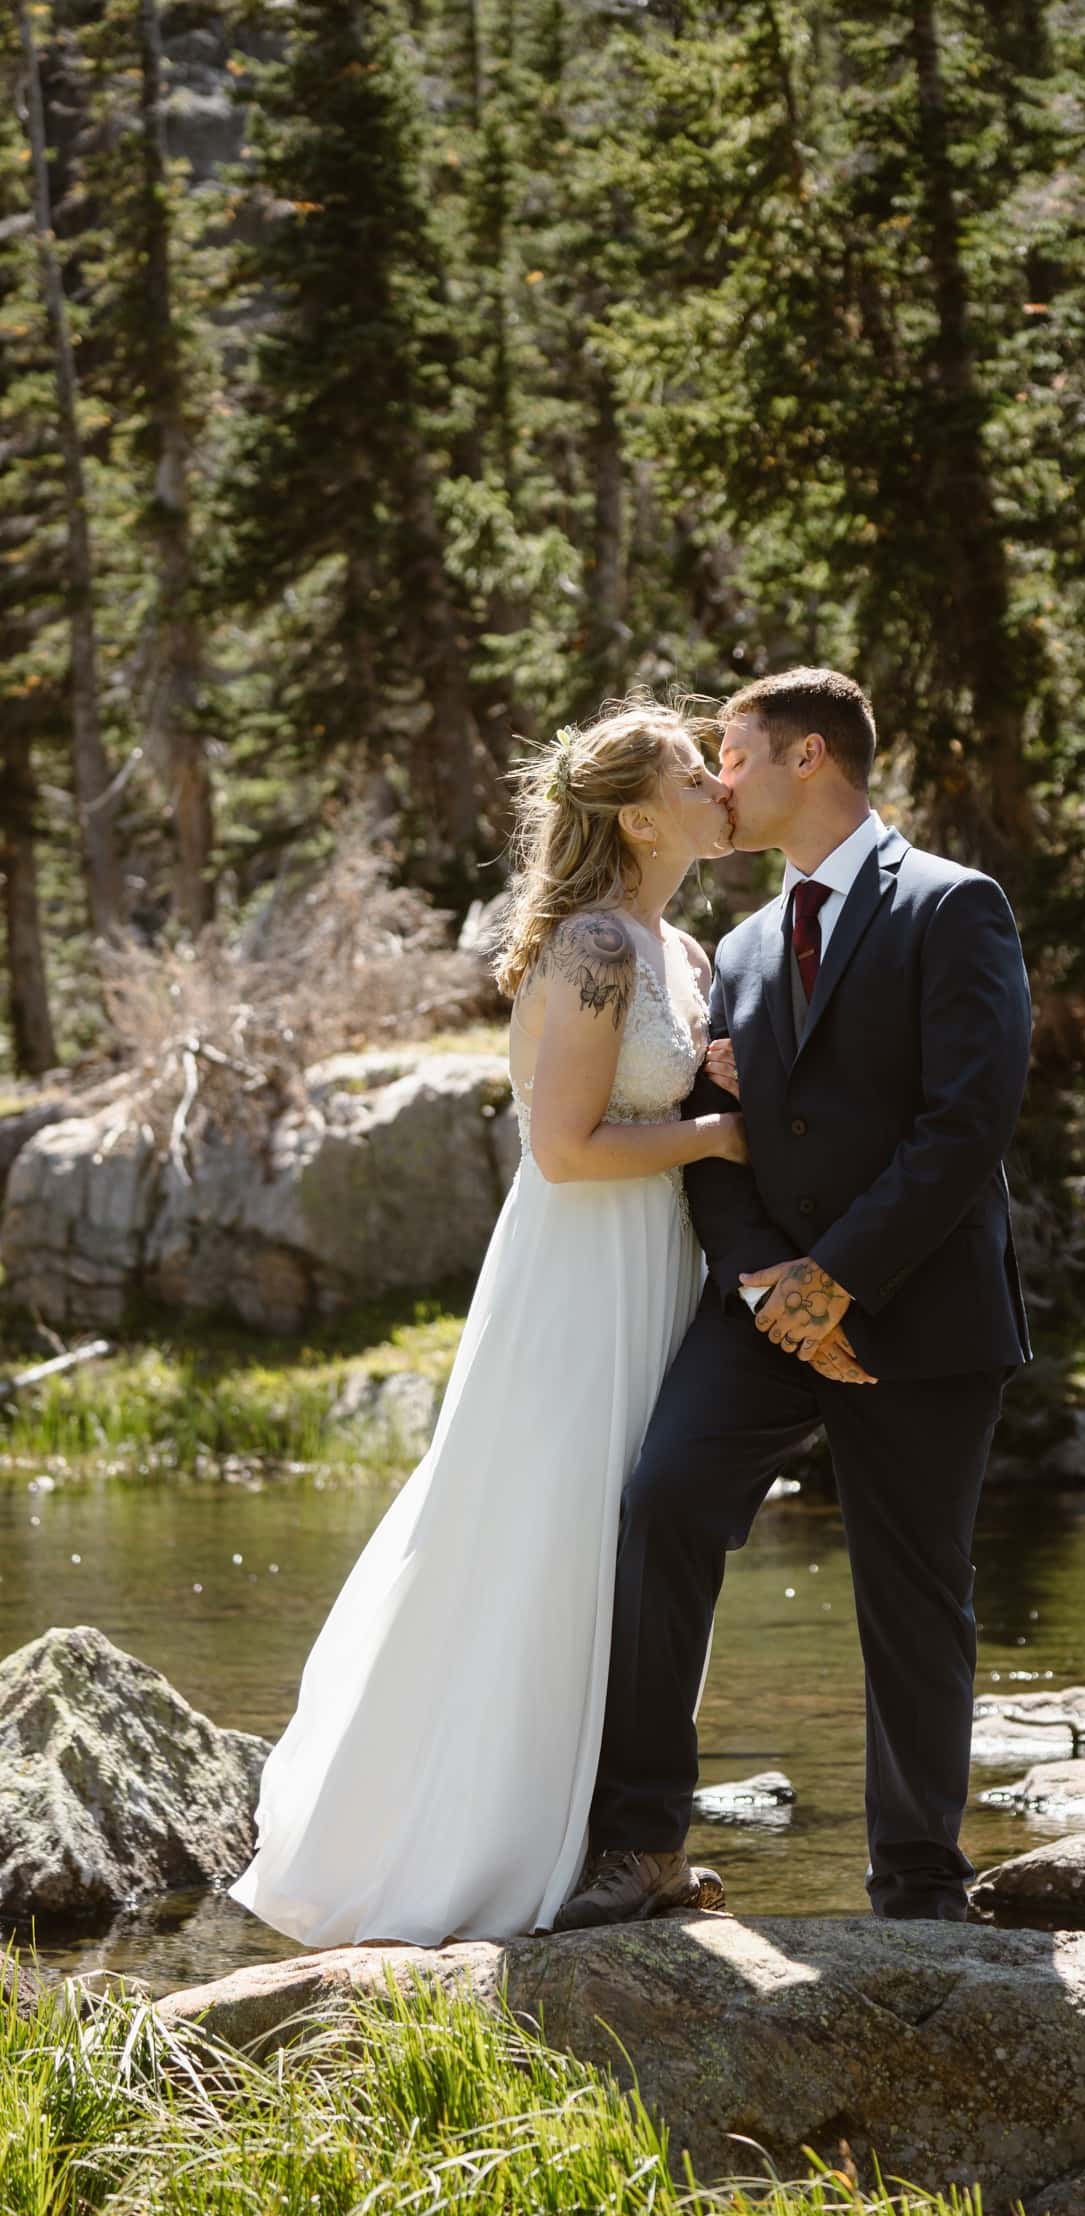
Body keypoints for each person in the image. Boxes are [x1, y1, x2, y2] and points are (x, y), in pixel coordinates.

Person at [229, 700, 745, 1946]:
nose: (720, 781)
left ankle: (611, 1833)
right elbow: (564, 1151)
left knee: (636, 1545)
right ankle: (485, 1848)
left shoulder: (682, 946)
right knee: (548, 1532)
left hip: (658, 1262)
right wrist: (717, 1130)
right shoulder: (597, 951)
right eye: (693, 768)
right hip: (580, 1276)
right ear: (636, 812)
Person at [556, 666, 1032, 1931]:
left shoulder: (952, 906)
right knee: (663, 1503)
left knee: (914, 1590)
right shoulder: (747, 946)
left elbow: (965, 1126)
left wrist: (840, 1281)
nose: (718, 778)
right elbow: (712, 1123)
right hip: (766, 1306)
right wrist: (772, 1282)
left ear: (808, 756)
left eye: (734, 751)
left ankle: (919, 1885)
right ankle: (643, 1843)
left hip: (918, 1309)